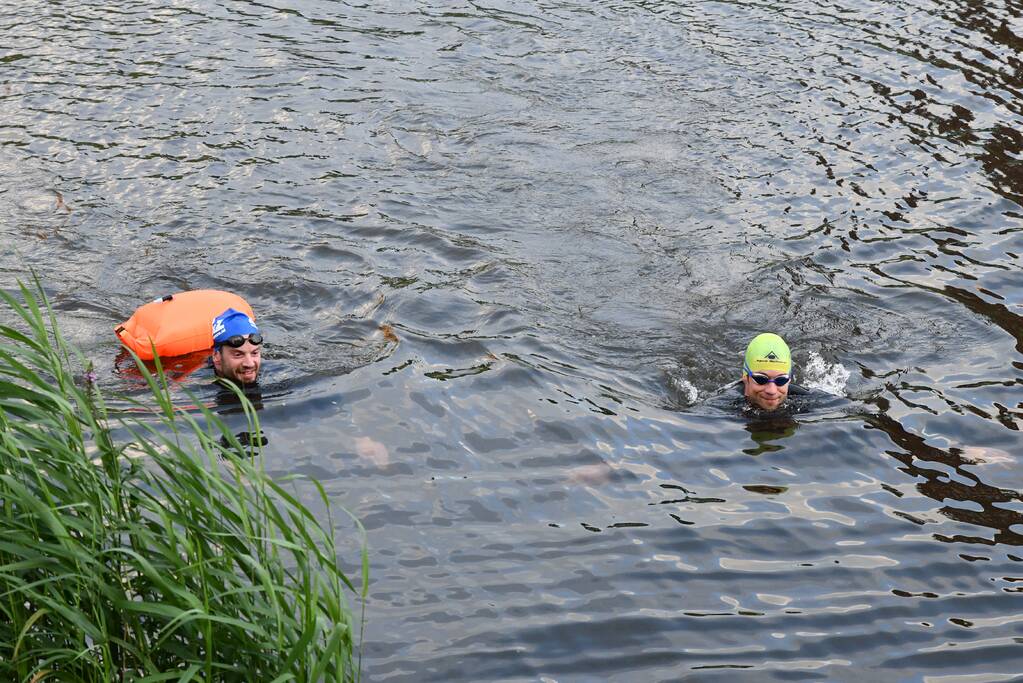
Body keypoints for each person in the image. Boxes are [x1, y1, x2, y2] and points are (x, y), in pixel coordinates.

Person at [741, 332, 794, 412]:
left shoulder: (811, 402)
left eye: (781, 380)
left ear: (789, 381)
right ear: (746, 380)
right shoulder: (723, 405)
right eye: (761, 379)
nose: (771, 391)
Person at [211, 308, 263, 386]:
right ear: (217, 356)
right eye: (238, 355)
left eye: (254, 353)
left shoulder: (275, 371)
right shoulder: (199, 386)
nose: (250, 364)